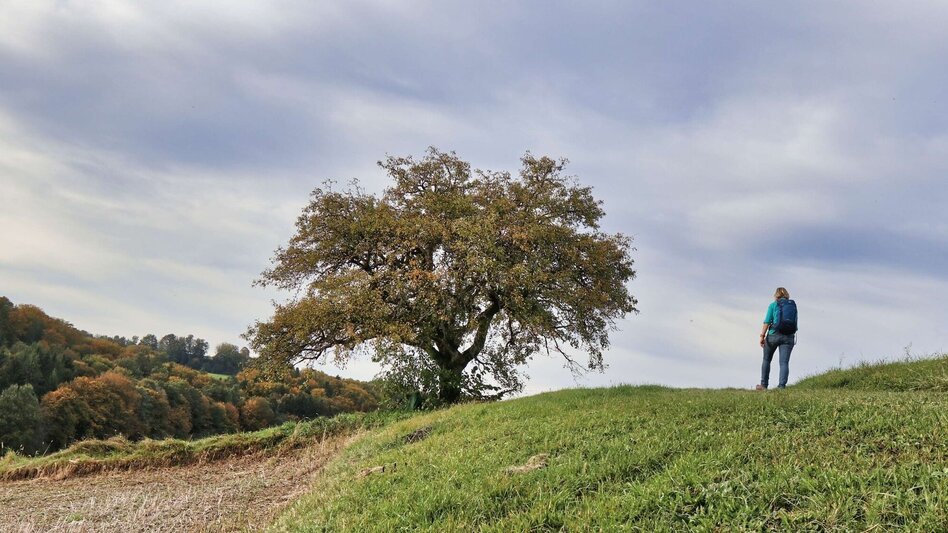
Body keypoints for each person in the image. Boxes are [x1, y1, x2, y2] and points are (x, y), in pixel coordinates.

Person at [757, 287, 796, 390]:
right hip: (788, 337)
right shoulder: (792, 306)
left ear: (776, 295)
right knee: (784, 363)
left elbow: (767, 321)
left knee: (766, 359)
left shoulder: (773, 305)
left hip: (773, 335)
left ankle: (763, 385)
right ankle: (781, 387)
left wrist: (762, 336)